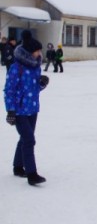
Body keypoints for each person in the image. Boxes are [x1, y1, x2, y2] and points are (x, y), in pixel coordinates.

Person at [4, 30, 49, 185]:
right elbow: (9, 90)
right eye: (37, 51)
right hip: (19, 110)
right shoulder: (16, 68)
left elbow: (33, 88)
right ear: (29, 52)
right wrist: (10, 110)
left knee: (24, 138)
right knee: (29, 140)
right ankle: (32, 174)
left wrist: (41, 84)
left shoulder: (36, 67)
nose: (39, 53)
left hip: (33, 109)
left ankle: (18, 166)